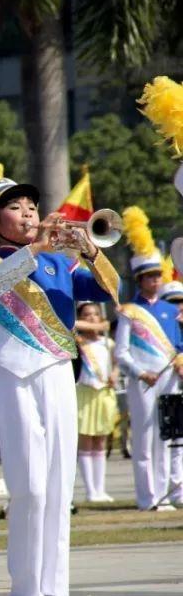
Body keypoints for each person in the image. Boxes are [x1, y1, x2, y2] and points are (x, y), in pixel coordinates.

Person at [0, 143, 119, 596]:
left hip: (60, 376)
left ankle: (53, 594)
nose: (28, 213)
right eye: (15, 207)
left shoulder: (60, 263)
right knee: (29, 489)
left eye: (31, 205)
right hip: (18, 377)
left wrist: (88, 249)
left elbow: (110, 290)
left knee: (59, 488)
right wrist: (38, 248)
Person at [115, 207, 183, 510]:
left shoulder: (171, 309)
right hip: (143, 381)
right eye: (149, 277)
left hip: (168, 380)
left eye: (157, 275)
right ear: (140, 280)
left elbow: (178, 347)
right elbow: (120, 352)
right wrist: (140, 373)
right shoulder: (129, 311)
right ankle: (147, 497)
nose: (155, 280)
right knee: (144, 440)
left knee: (167, 437)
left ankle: (166, 495)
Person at [74, 302, 118, 503]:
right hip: (85, 392)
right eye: (87, 314)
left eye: (95, 314)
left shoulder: (107, 342)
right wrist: (97, 326)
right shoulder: (78, 341)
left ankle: (100, 489)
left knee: (100, 442)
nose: (92, 317)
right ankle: (90, 490)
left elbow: (115, 363)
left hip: (104, 392)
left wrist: (115, 374)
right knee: (86, 440)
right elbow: (71, 325)